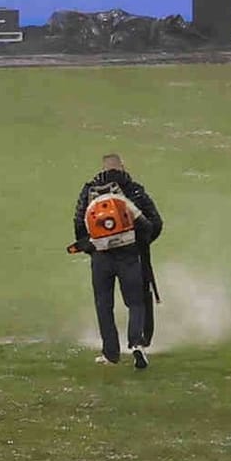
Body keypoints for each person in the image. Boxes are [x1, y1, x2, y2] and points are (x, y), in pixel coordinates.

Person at [72, 154, 164, 370]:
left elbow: (79, 224)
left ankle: (110, 354)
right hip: (130, 255)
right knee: (135, 302)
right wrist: (140, 243)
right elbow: (154, 224)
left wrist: (95, 248)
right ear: (123, 167)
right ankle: (137, 345)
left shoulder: (89, 191)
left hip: (101, 258)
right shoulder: (133, 190)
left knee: (104, 305)